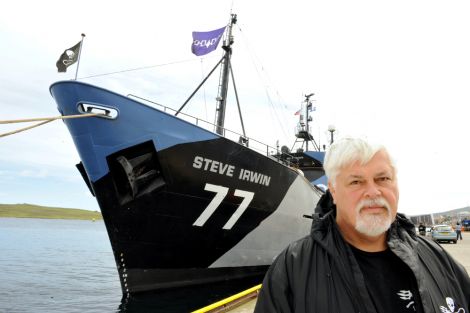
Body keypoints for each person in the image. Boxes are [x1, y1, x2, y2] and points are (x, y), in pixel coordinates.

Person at [254, 137, 470, 313]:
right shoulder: (292, 270)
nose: (373, 192)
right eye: (356, 182)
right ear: (334, 190)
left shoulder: (438, 259)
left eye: (383, 178)